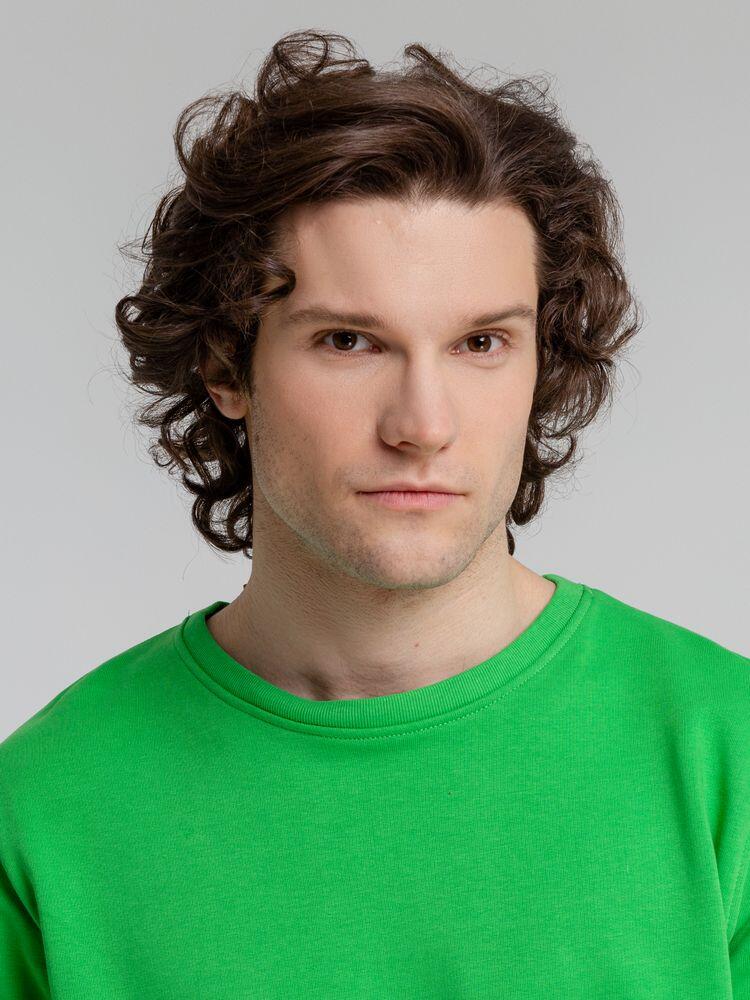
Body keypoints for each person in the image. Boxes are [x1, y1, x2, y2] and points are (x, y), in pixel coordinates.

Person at [1, 28, 748, 999]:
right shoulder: (46, 812)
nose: (423, 425)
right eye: (349, 341)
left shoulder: (725, 757)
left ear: (541, 362)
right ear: (226, 363)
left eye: (481, 343)